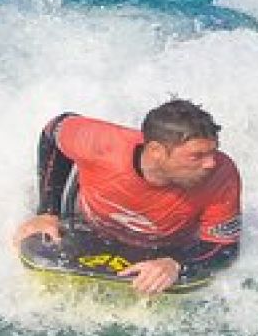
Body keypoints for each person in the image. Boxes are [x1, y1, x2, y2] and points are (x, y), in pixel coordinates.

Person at [12, 99, 241, 295]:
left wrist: (176, 264)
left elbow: (224, 248)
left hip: (164, 248)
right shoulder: (103, 145)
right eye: (197, 156)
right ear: (156, 151)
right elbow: (54, 129)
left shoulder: (222, 175)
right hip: (89, 224)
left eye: (213, 151)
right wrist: (47, 211)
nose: (211, 163)